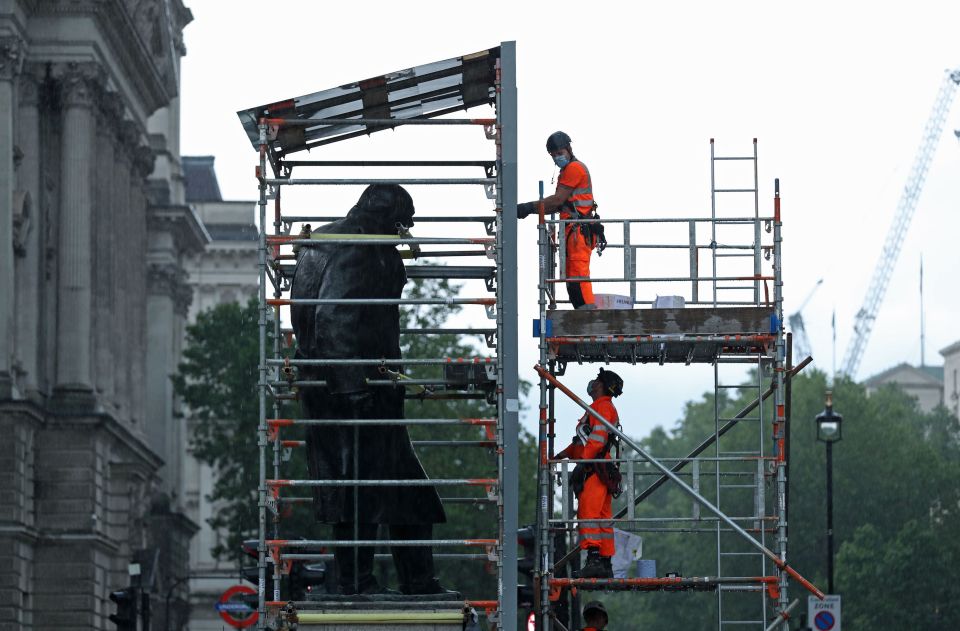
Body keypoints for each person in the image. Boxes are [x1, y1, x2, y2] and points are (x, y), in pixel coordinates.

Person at [290, 184, 453, 596]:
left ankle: (416, 580)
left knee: (404, 490)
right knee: (358, 488)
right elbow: (332, 317)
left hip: (360, 387)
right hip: (354, 392)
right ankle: (355, 582)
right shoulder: (358, 246)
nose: (403, 235)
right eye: (400, 225)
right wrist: (351, 388)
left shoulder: (327, 239)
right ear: (385, 218)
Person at [516, 131, 604, 310]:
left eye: (559, 153)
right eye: (553, 155)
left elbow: (557, 201)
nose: (557, 157)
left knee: (578, 275)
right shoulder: (566, 171)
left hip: (579, 230)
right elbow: (559, 205)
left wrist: (528, 207)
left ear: (569, 149)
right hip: (573, 231)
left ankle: (588, 316)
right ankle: (582, 312)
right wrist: (532, 209)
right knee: (572, 277)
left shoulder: (574, 168)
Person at [555, 368, 624, 579]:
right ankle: (605, 563)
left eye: (596, 379)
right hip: (600, 469)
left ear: (601, 385)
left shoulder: (603, 408)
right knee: (603, 518)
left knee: (588, 513)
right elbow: (582, 441)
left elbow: (597, 440)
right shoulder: (598, 408)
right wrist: (563, 454)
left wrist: (583, 461)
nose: (592, 382)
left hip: (595, 468)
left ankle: (595, 558)